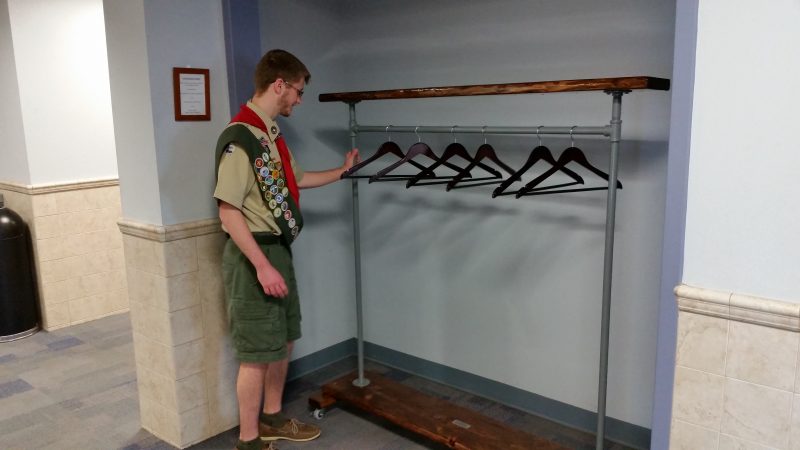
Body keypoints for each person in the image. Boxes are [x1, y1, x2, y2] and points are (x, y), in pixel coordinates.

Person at [213, 49, 358, 450]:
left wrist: (342, 172)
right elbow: (228, 212)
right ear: (280, 84)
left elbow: (298, 180)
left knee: (284, 338)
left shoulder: (269, 135)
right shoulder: (239, 138)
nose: (299, 99)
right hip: (252, 256)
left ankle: (273, 417)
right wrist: (261, 266)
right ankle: (248, 440)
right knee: (257, 352)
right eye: (298, 91)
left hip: (277, 249)